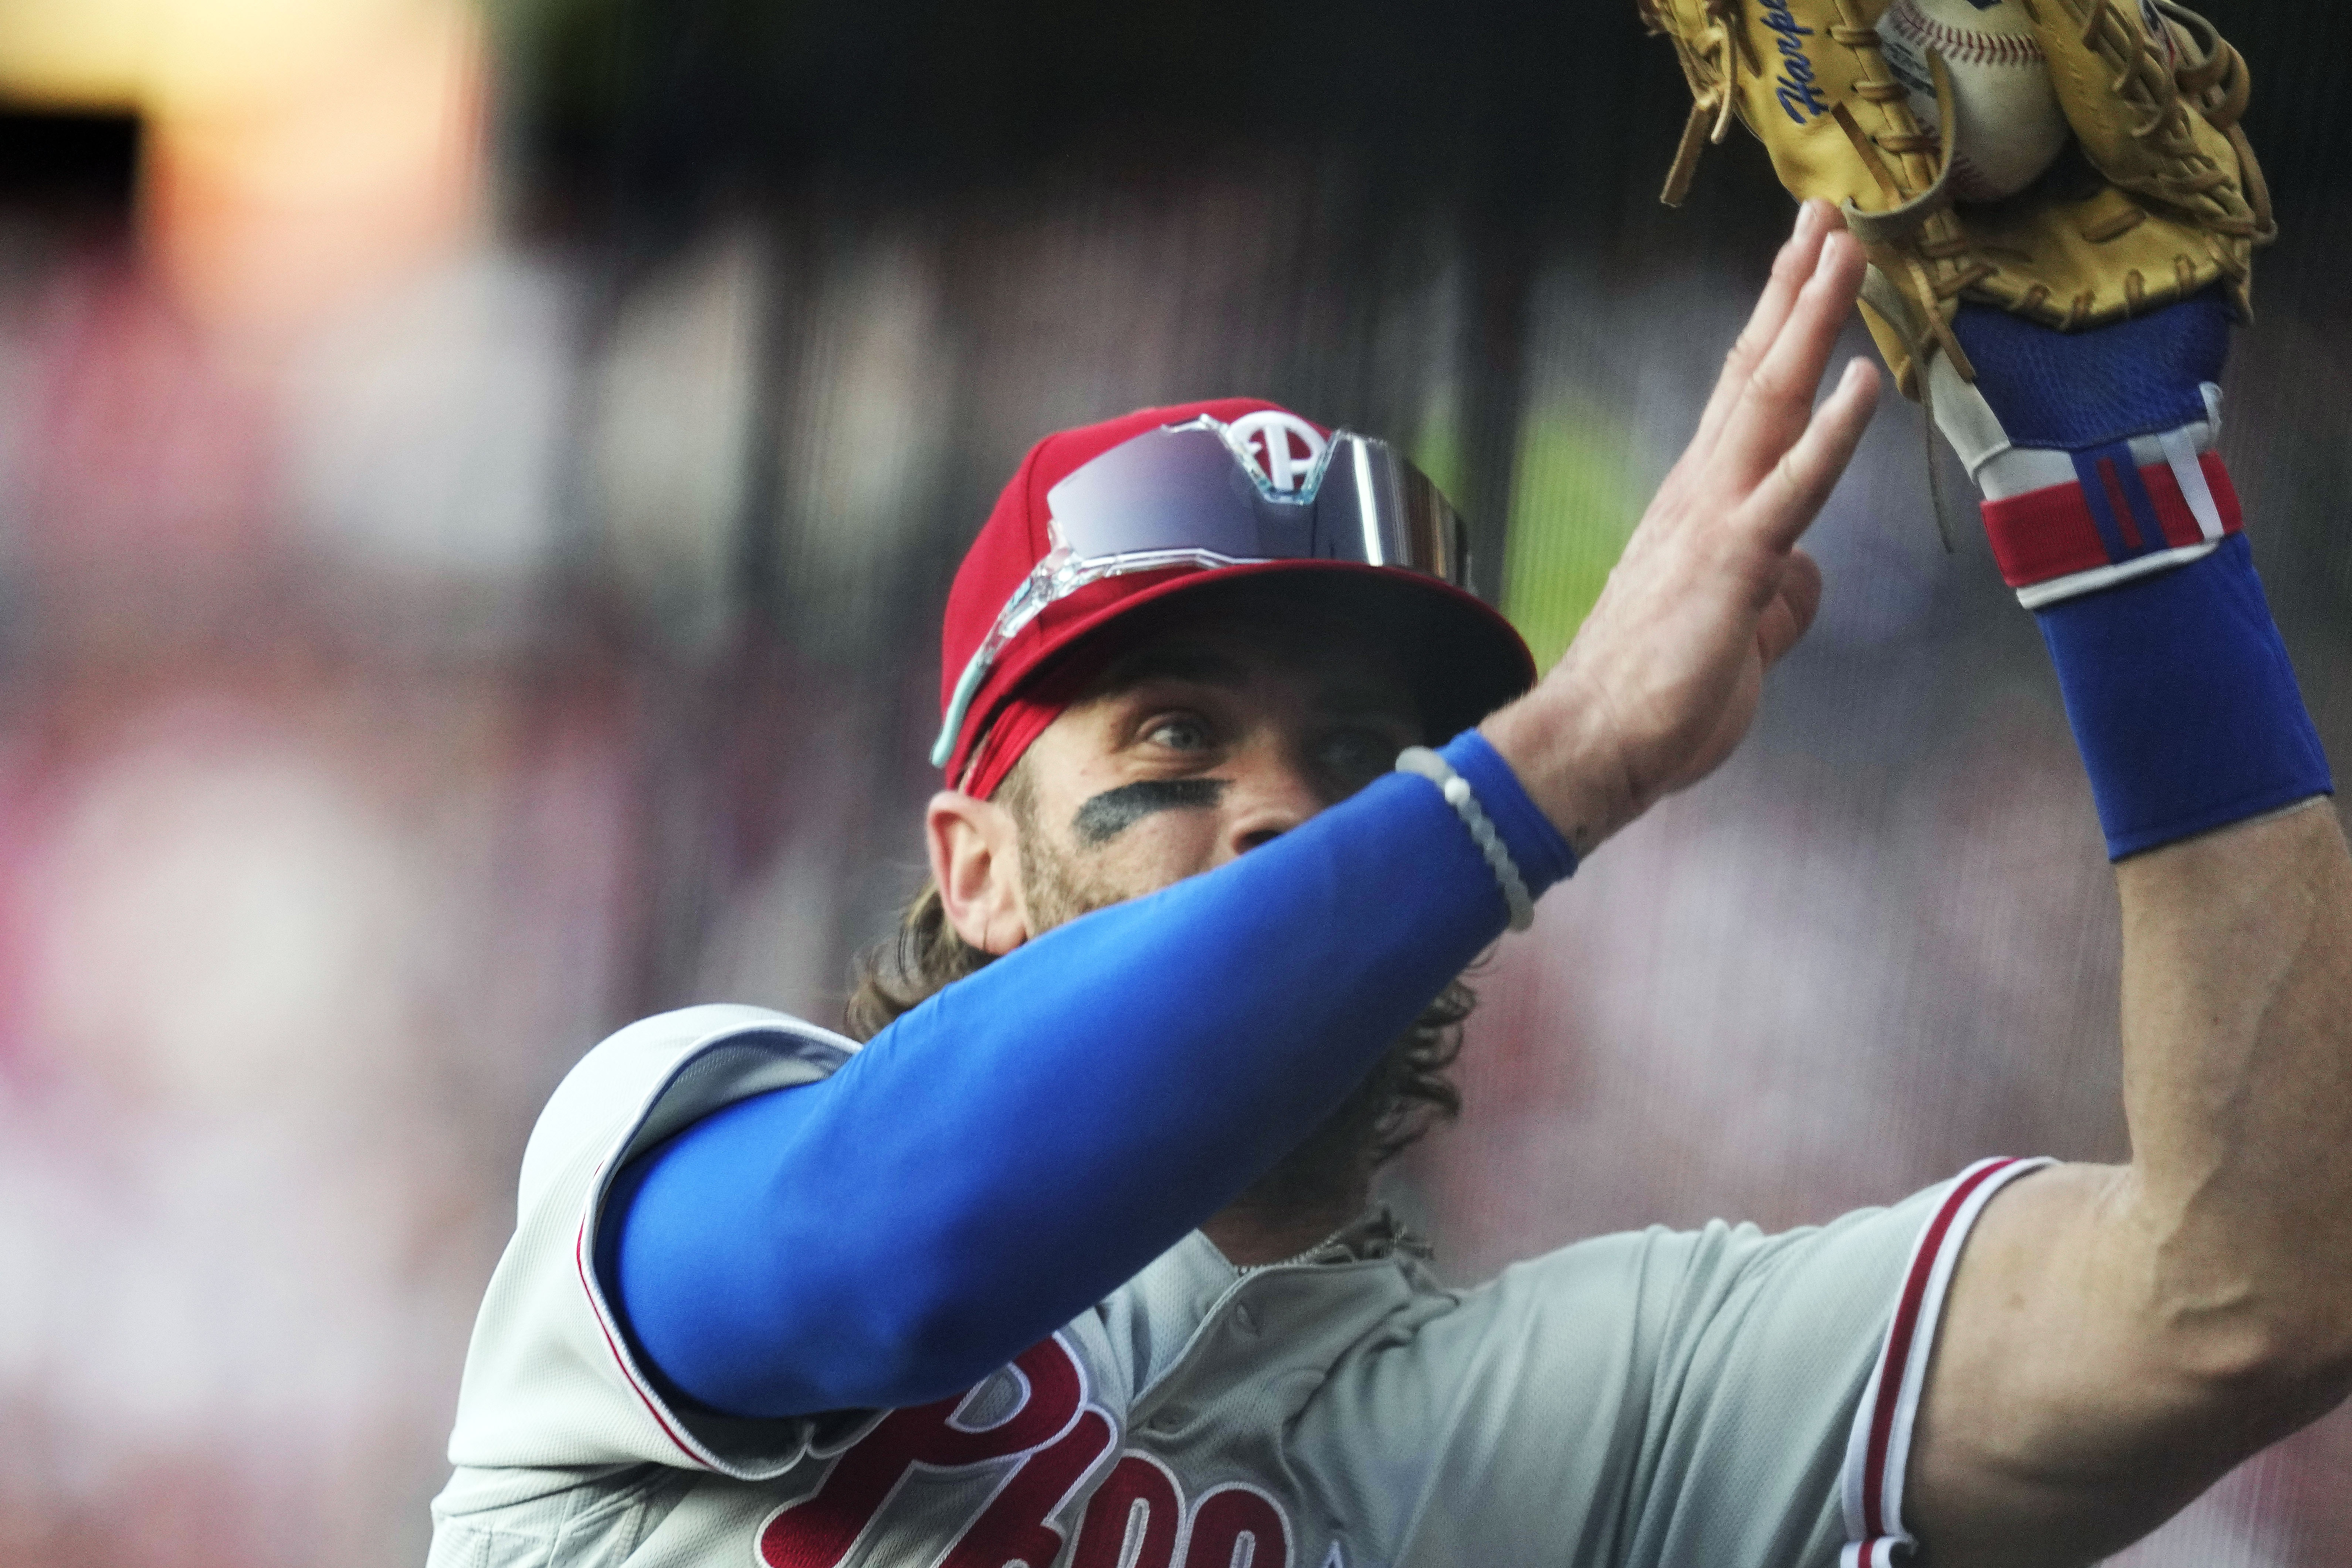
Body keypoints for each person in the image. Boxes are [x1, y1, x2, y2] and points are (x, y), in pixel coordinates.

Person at [427, 203, 2351, 1568]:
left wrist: (2121, 496)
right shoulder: (675, 1159)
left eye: (1362, 759)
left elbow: (2259, 1279)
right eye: (1171, 743)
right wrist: (1552, 760)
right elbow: (895, 1251)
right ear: (974, 867)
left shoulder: (1593, 1418)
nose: (1282, 814)